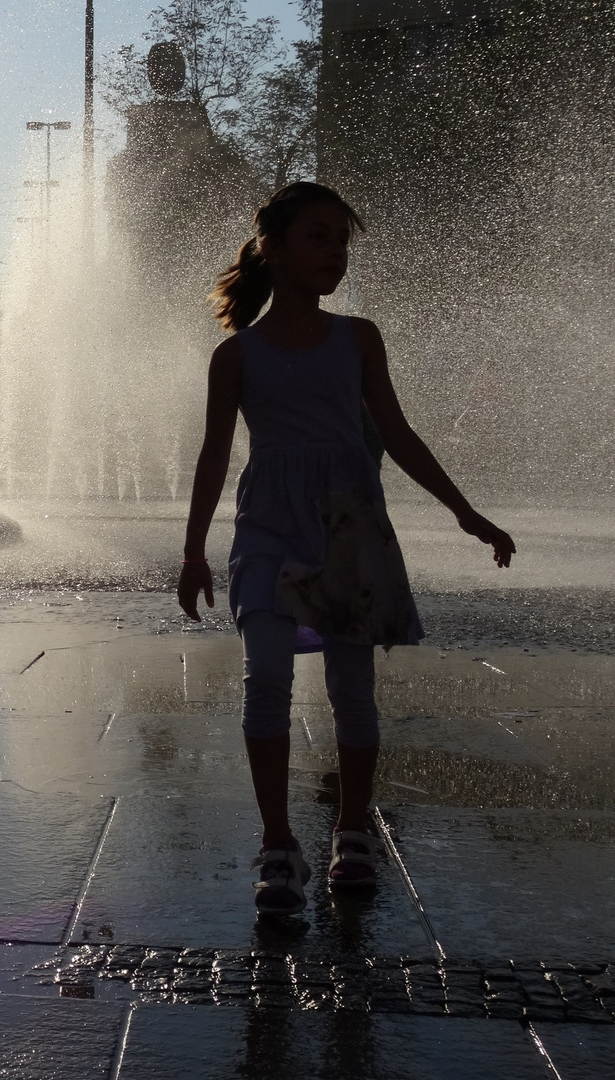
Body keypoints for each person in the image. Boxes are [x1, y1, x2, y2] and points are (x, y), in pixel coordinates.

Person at [177, 182, 515, 918]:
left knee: (350, 690)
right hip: (268, 523)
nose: (334, 253)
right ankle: (276, 843)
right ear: (271, 245)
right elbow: (211, 456)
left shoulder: (357, 338)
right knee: (264, 677)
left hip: (347, 526)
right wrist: (194, 550)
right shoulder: (236, 356)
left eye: (341, 241)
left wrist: (466, 512)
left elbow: (395, 432)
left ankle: (352, 831)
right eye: (318, 237)